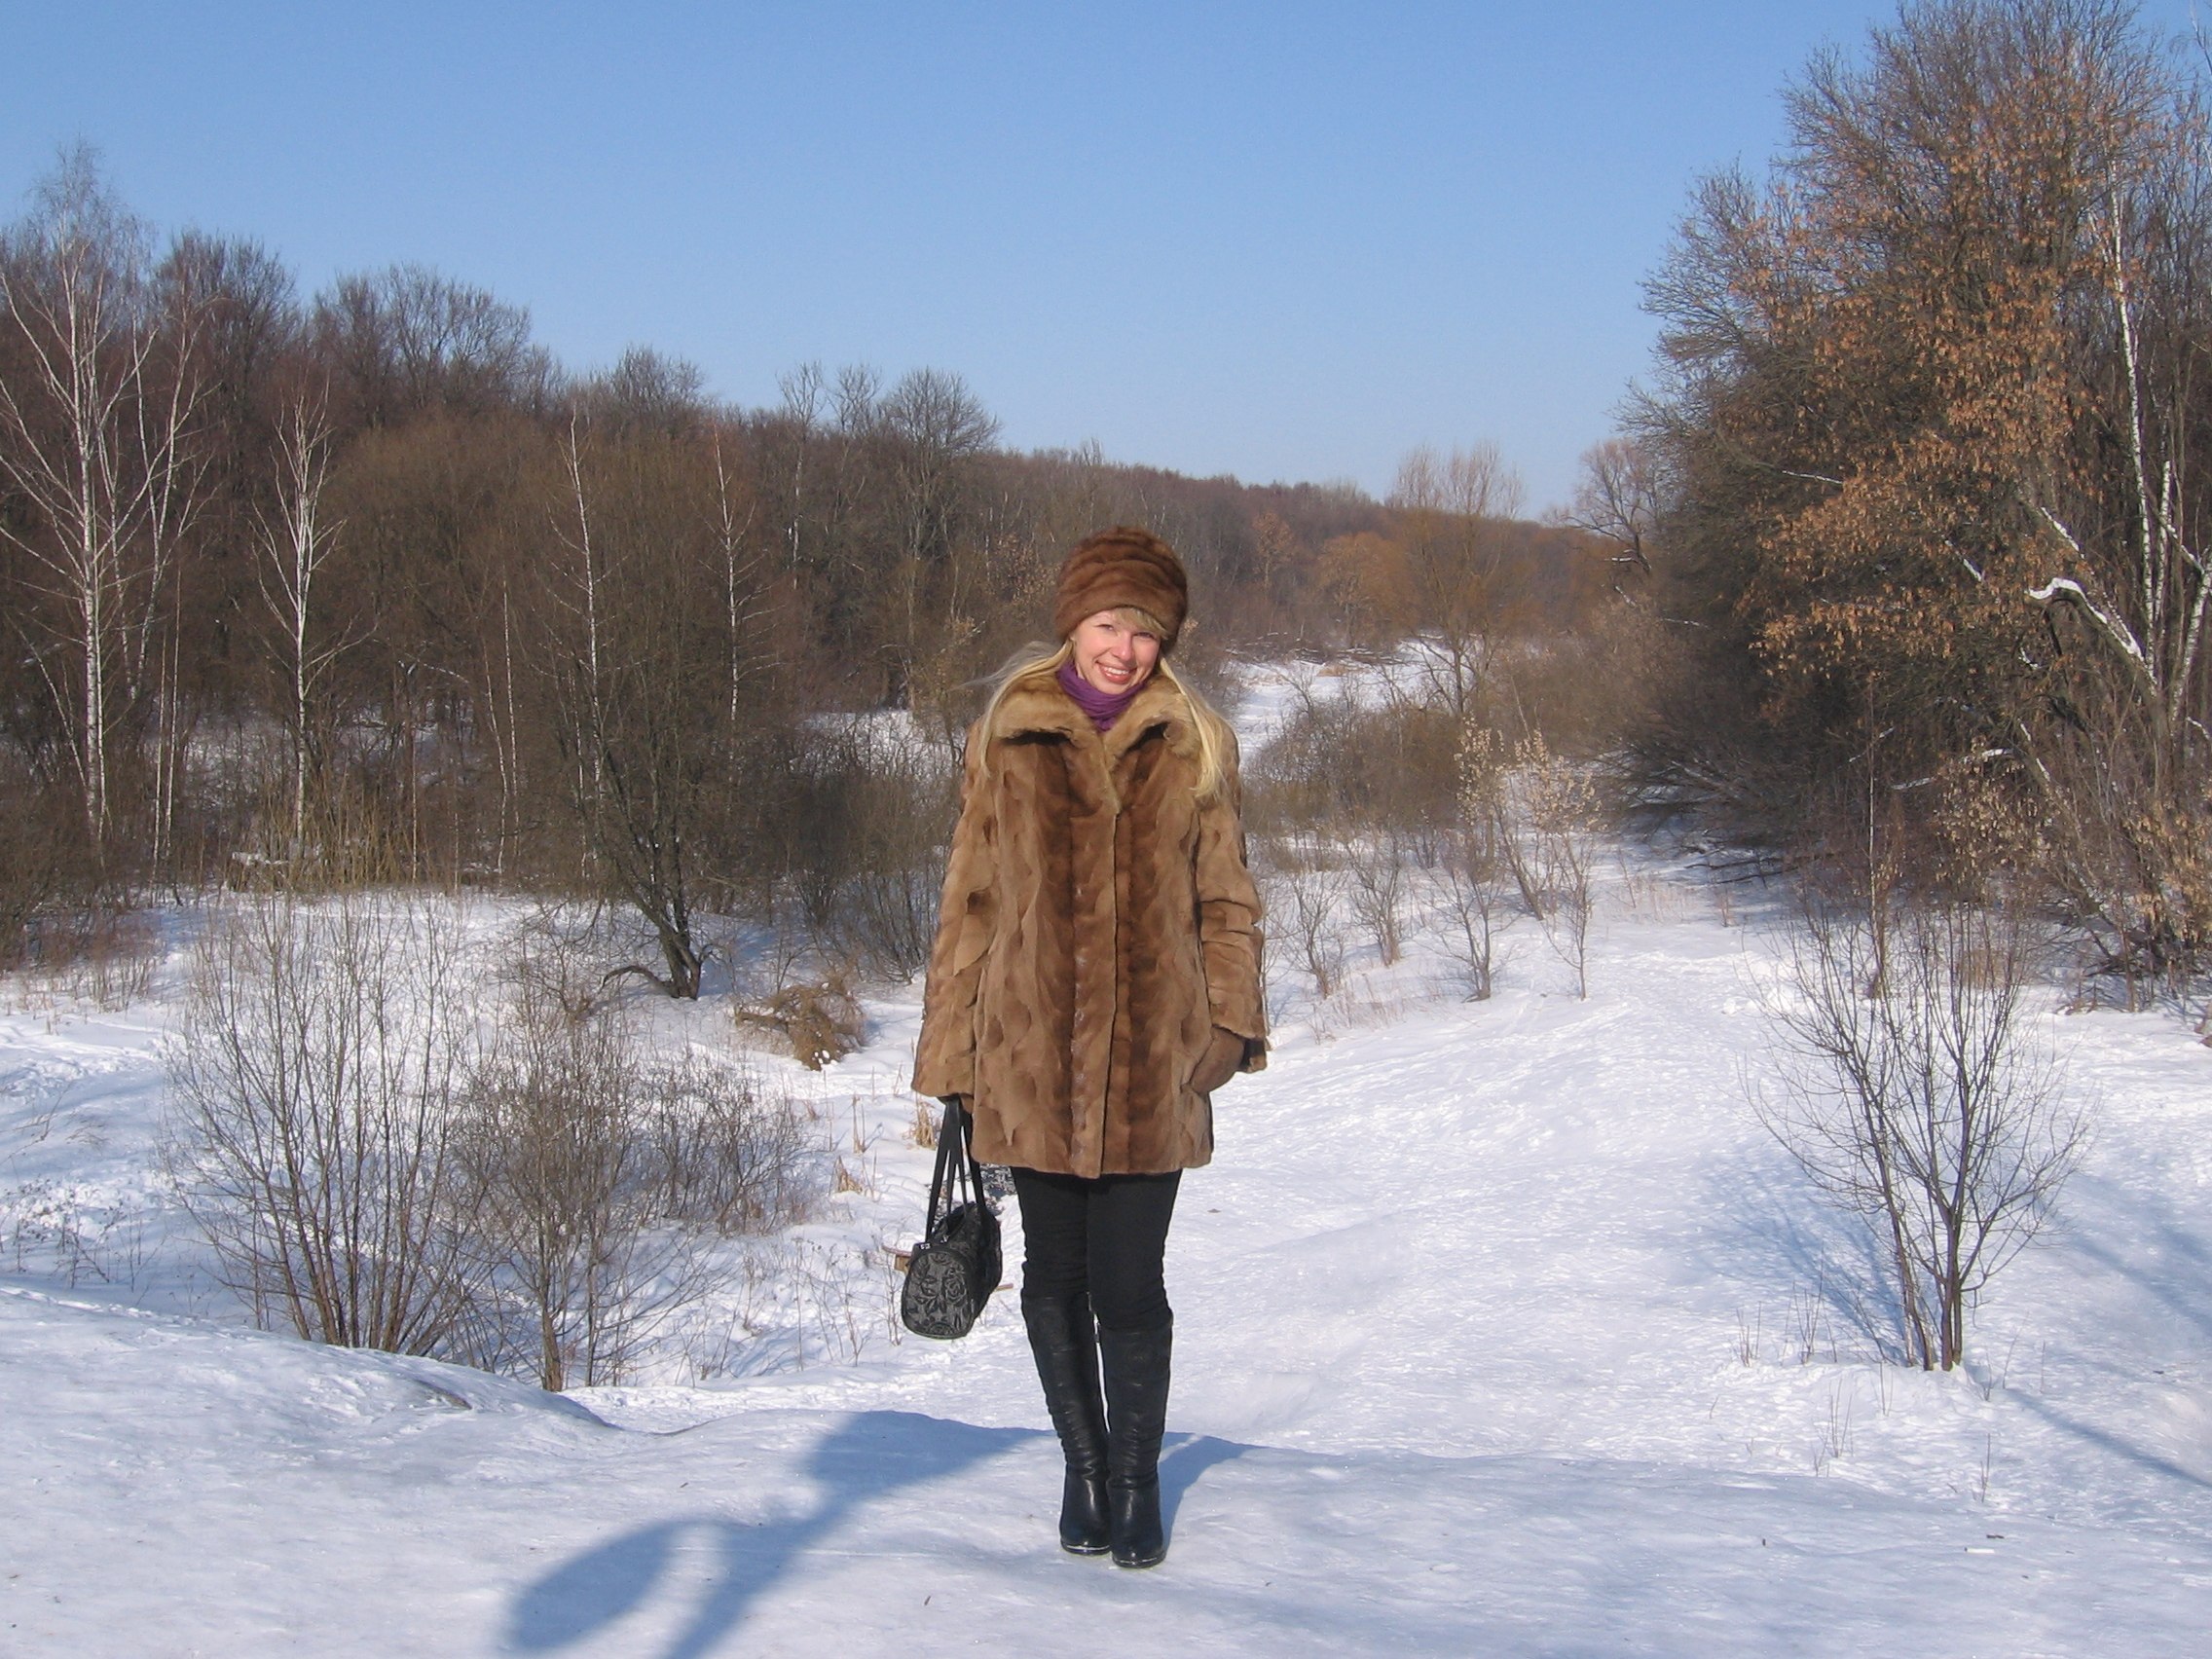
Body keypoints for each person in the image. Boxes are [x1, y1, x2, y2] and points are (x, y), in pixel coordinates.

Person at [912, 526, 1267, 1569]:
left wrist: (1228, 1026)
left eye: (1147, 633)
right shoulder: (1007, 735)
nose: (1125, 649)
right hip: (1028, 1056)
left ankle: (1136, 1478)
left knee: (1130, 1287)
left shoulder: (1196, 744)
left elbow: (1227, 901)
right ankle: (1084, 1465)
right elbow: (971, 904)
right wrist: (952, 1056)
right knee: (1050, 1278)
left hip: (1152, 1061)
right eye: (1111, 624)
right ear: (1074, 622)